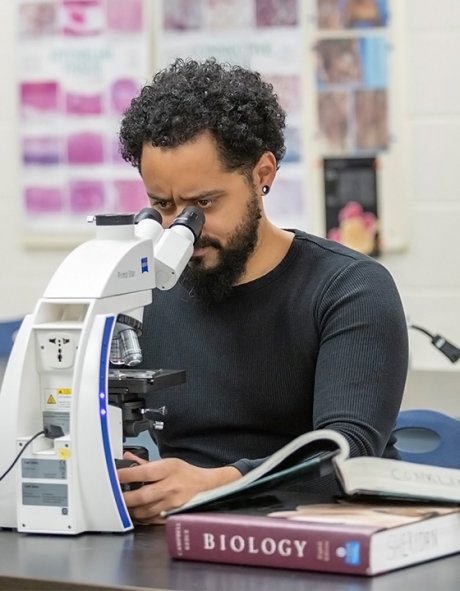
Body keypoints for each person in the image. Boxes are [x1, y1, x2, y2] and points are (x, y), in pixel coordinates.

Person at [116, 57, 408, 524]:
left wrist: (214, 484)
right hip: (184, 534)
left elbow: (349, 454)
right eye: (162, 205)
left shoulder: (349, 288)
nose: (181, 229)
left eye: (202, 204)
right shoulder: (141, 290)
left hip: (325, 532)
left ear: (263, 173)